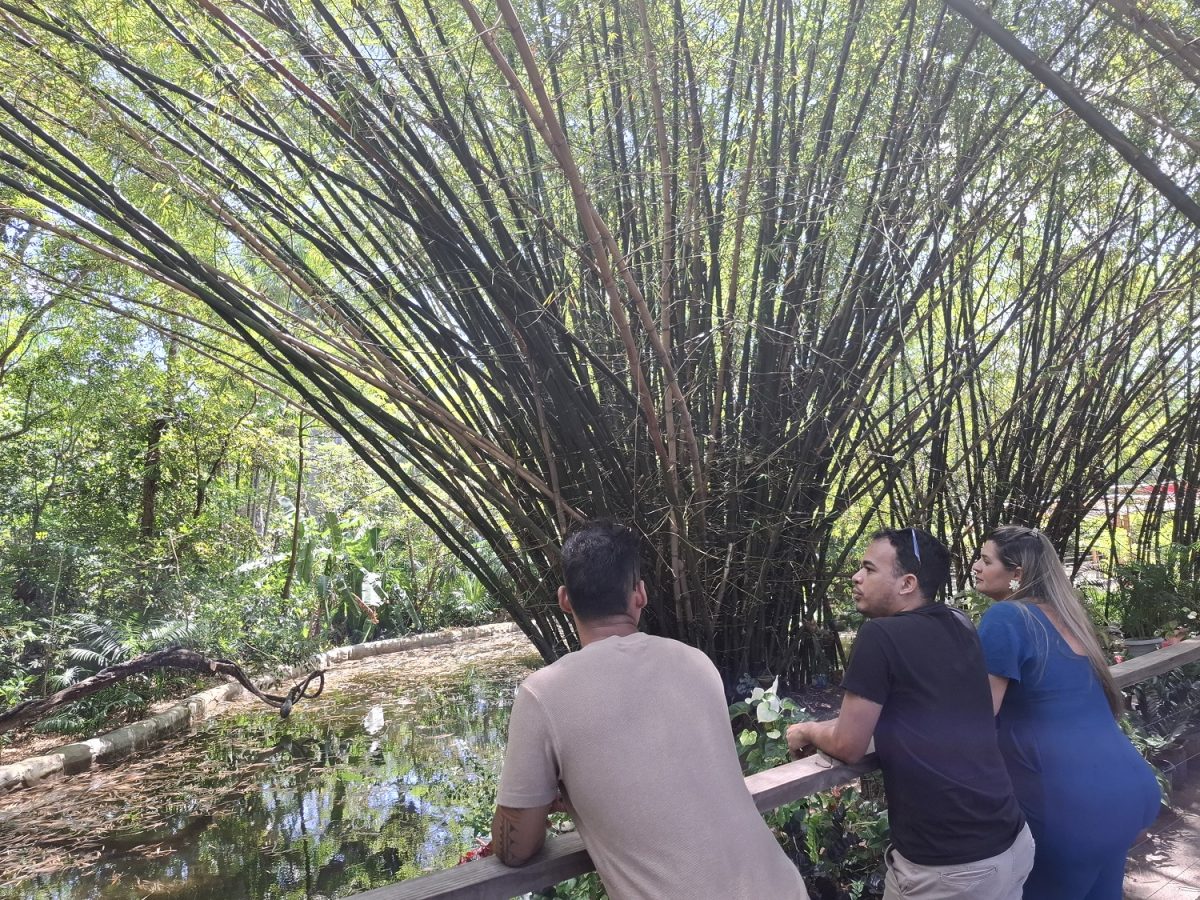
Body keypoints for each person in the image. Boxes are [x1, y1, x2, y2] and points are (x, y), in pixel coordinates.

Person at [492, 520, 808, 899]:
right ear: (639, 594)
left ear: (564, 600)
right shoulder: (697, 664)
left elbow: (515, 848)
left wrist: (556, 793)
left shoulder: (542, 694)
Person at [787, 527, 1032, 900]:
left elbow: (849, 744)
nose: (855, 577)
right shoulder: (959, 623)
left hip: (949, 868)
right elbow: (925, 706)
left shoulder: (879, 637)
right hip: (1008, 841)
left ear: (907, 583)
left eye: (868, 569)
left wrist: (805, 730)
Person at [973, 525, 1160, 899]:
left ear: (1017, 574)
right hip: (1127, 791)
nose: (975, 566)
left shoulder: (1007, 618)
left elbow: (977, 716)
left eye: (985, 559)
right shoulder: (1066, 618)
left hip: (1070, 810)